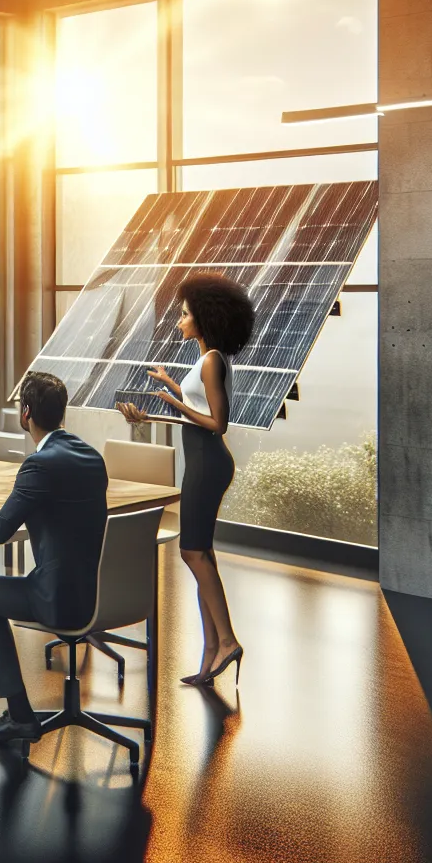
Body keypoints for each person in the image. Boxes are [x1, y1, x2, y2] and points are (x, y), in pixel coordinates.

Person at [0, 372, 110, 742]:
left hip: (59, 602)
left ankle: (21, 715)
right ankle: (18, 715)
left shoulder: (39, 465)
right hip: (100, 594)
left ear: (26, 413)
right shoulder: (92, 457)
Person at [118, 271, 253, 686]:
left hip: (208, 463)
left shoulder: (211, 360)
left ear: (203, 318)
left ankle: (227, 640)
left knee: (192, 554)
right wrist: (169, 390)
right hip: (203, 461)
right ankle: (211, 653)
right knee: (202, 556)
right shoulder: (205, 358)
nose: (179, 320)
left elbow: (218, 423)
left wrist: (174, 402)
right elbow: (196, 403)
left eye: (183, 314)